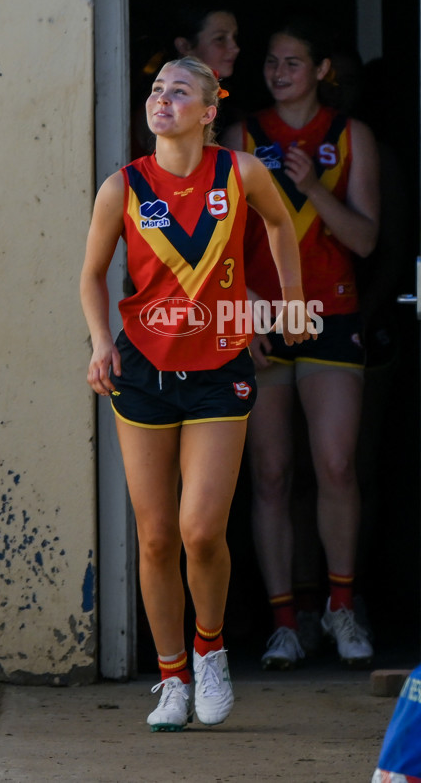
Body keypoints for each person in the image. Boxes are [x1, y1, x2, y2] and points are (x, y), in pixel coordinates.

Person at [80, 56, 314, 731]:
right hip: (143, 368)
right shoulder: (120, 186)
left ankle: (210, 652)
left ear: (209, 110)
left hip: (220, 365)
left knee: (200, 529)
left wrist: (291, 300)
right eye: (156, 89)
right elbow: (92, 275)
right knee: (155, 538)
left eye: (180, 91)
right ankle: (172, 676)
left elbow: (279, 224)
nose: (163, 99)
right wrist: (100, 341)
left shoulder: (240, 172)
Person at [222, 18, 380, 669]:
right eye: (271, 60)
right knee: (270, 473)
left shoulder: (350, 136)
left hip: (331, 315)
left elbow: (367, 239)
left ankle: (341, 609)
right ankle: (285, 620)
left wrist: (312, 185)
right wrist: (241, 311)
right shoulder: (242, 134)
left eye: (293, 61)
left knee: (336, 465)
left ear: (320, 70)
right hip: (262, 321)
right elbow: (221, 242)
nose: (279, 71)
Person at [131, 6, 240, 158]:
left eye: (234, 37)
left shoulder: (223, 99)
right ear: (184, 46)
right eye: (220, 39)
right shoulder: (162, 106)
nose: (235, 48)